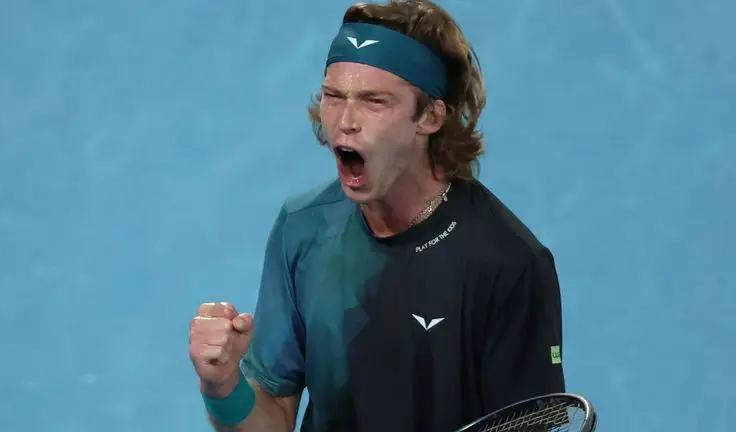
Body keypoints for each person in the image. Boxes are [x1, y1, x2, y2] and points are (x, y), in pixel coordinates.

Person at [188, 1, 566, 431]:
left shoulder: (508, 263)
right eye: (334, 97)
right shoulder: (304, 226)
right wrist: (222, 386)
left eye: (374, 101)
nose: (345, 122)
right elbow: (271, 416)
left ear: (429, 116)